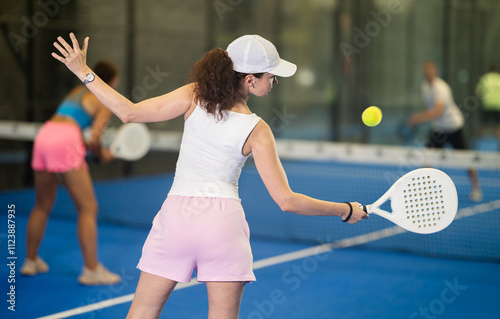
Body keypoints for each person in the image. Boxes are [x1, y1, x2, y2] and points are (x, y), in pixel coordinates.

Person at [52, 33, 368, 319]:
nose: (273, 82)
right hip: (223, 226)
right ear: (250, 80)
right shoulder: (258, 130)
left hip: (175, 218)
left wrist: (83, 71)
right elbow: (286, 201)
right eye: (271, 76)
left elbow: (129, 112)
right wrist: (346, 209)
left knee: (142, 313)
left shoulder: (193, 94)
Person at [20, 59, 122, 286]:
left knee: (42, 204)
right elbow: (95, 138)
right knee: (88, 207)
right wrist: (104, 155)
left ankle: (31, 260)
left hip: (45, 134)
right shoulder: (104, 98)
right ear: (112, 81)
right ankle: (91, 269)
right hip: (66, 138)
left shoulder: (77, 90)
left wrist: (94, 150)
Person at [408, 61, 482, 202]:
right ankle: (424, 190)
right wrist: (422, 118)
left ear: (435, 72)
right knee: (428, 157)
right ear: (424, 74)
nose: (428, 74)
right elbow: (431, 109)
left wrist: (417, 118)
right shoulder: (425, 87)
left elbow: (437, 111)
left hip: (453, 126)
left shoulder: (441, 88)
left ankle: (476, 189)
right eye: (426, 72)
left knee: (466, 159)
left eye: (431, 72)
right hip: (439, 128)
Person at [476, 65, 500, 150]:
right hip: (498, 106)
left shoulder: (486, 78)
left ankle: (477, 144)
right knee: (498, 126)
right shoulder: (499, 78)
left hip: (487, 105)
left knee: (482, 124)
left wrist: (484, 98)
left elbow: (479, 93)